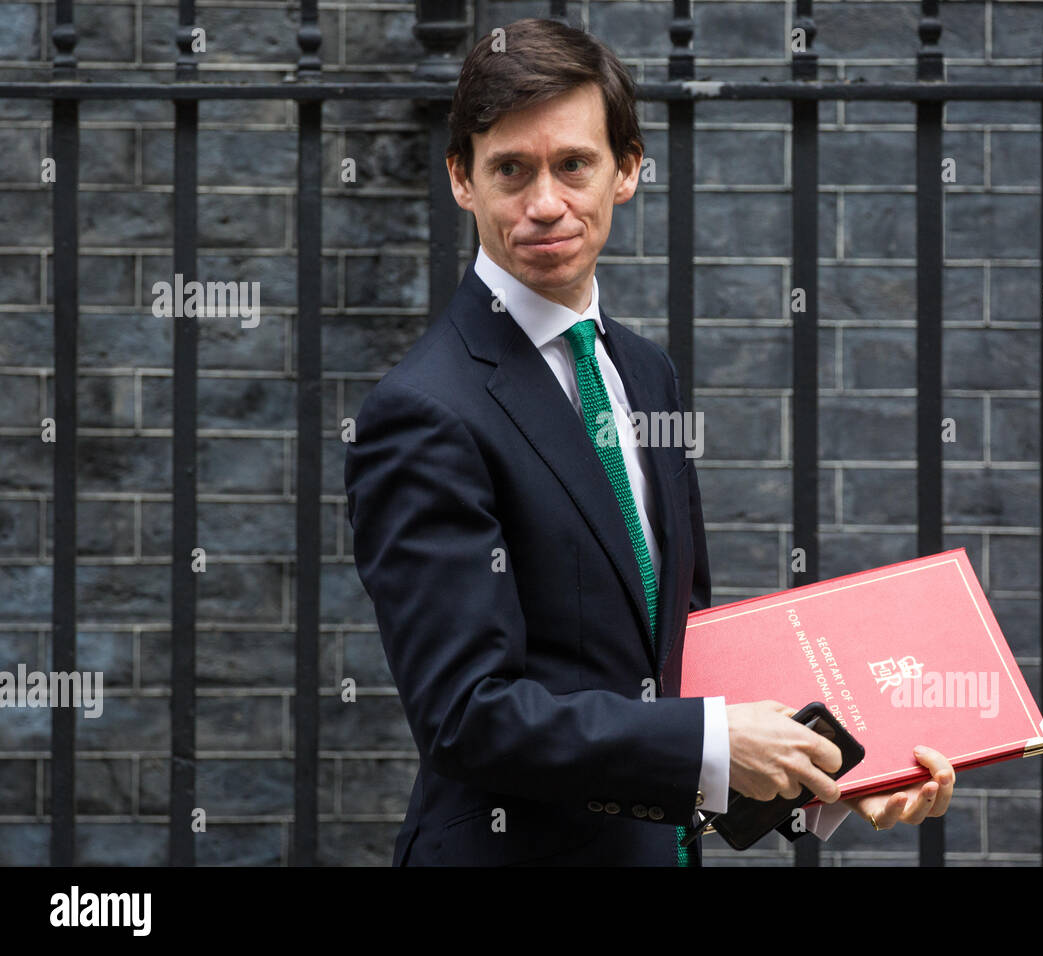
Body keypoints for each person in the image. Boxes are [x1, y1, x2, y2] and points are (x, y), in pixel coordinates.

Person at [345, 16, 954, 866]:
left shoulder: (643, 372)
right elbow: (465, 715)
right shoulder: (423, 410)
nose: (545, 203)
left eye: (574, 165)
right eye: (510, 170)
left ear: (626, 170)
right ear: (462, 179)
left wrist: (845, 768)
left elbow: (681, 658)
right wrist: (712, 744)